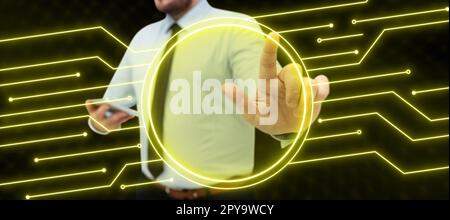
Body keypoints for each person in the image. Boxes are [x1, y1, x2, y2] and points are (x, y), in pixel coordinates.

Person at [85, 0, 330, 200]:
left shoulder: (236, 28)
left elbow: (266, 98)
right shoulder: (143, 39)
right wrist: (99, 122)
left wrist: (286, 122)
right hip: (151, 192)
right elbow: (112, 105)